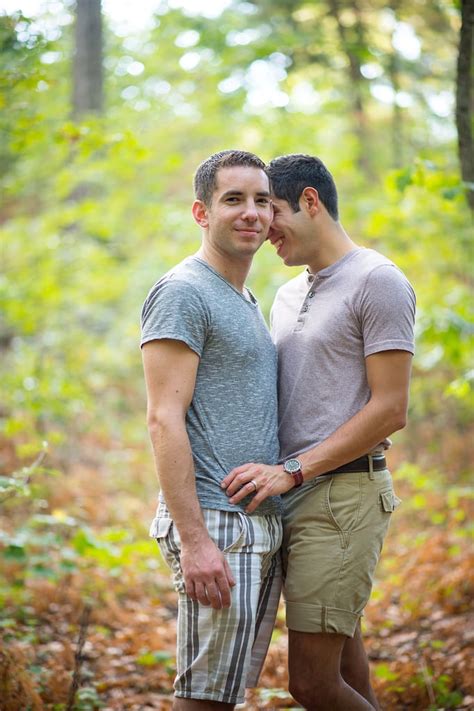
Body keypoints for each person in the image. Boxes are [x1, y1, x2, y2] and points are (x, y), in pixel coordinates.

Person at [222, 154, 416, 710]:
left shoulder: (378, 281)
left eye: (271, 209)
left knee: (310, 683)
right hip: (291, 499)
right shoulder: (286, 294)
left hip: (342, 498)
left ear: (310, 202)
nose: (261, 228)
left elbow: (391, 409)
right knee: (345, 665)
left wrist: (291, 470)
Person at [140, 150, 283, 710]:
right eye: (233, 200)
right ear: (201, 213)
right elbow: (163, 417)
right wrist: (196, 540)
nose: (251, 213)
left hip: (252, 521)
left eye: (261, 201)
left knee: (224, 695)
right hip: (217, 525)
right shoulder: (184, 292)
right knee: (204, 699)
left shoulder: (243, 297)